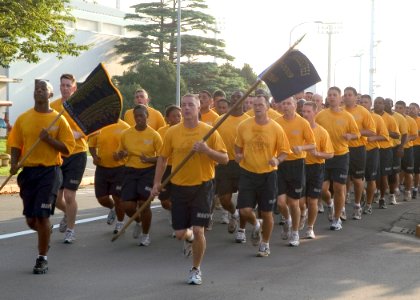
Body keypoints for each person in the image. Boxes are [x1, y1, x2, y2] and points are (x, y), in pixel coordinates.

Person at [151, 94, 228, 285]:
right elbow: (162, 158)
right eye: (183, 105)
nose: (186, 109)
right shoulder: (172, 132)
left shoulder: (209, 131)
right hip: (179, 186)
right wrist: (156, 183)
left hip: (203, 186)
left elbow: (225, 159)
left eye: (190, 105)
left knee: (199, 230)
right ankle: (189, 237)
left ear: (198, 108)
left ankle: (195, 269)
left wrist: (207, 151)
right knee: (180, 233)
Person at [8, 80, 75, 274]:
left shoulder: (59, 119)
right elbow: (15, 144)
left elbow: (68, 149)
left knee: (42, 215)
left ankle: (42, 258)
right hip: (28, 173)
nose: (39, 91)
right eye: (36, 88)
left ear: (50, 94)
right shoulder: (23, 118)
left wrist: (49, 140)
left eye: (43, 88)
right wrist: (13, 163)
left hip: (50, 172)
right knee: (31, 221)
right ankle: (46, 230)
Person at [235, 95, 290, 256]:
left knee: (267, 213)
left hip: (268, 175)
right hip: (248, 172)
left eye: (260, 104)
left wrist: (277, 160)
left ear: (267, 107)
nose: (257, 107)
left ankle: (265, 244)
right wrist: (238, 155)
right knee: (244, 210)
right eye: (255, 104)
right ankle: (256, 225)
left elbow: (285, 151)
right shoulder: (244, 125)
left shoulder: (276, 128)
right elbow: (237, 146)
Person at [116, 104, 163, 246]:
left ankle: (146, 234)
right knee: (127, 205)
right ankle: (138, 221)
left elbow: (162, 157)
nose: (139, 118)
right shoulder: (126, 134)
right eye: (136, 116)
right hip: (130, 171)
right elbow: (118, 154)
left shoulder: (154, 135)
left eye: (141, 115)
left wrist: (149, 159)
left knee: (144, 204)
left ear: (147, 117)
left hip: (147, 172)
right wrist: (121, 154)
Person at [315, 87, 359, 230]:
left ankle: (336, 219)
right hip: (325, 156)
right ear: (327, 98)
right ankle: (330, 204)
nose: (332, 97)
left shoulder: (347, 116)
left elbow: (356, 134)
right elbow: (312, 130)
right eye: (329, 95)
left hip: (341, 155)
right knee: (322, 189)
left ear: (340, 99)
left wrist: (350, 136)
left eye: (335, 95)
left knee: (339, 187)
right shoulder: (321, 115)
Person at [50, 74, 87, 244]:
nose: (64, 88)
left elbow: (90, 129)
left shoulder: (81, 107)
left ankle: (71, 230)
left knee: (69, 196)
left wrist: (74, 134)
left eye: (68, 85)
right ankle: (67, 213)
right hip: (60, 155)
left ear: (74, 88)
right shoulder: (54, 106)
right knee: (56, 198)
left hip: (77, 154)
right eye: (62, 85)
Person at [274, 97, 315, 246]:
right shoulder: (276, 122)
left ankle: (295, 232)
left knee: (293, 202)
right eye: (283, 103)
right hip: (280, 163)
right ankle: (288, 220)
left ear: (295, 105)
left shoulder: (303, 122)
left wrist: (301, 148)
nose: (286, 106)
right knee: (280, 202)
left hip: (297, 164)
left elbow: (312, 144)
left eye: (289, 103)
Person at [212, 91, 249, 235]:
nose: (235, 99)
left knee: (244, 201)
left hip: (243, 164)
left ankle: (242, 230)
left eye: (239, 97)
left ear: (245, 100)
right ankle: (234, 214)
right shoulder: (220, 120)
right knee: (224, 199)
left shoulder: (249, 121)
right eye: (233, 97)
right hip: (224, 164)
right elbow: (212, 140)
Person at [88, 119, 130, 234]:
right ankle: (113, 209)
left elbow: (130, 148)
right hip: (102, 168)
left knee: (118, 199)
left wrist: (121, 155)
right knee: (101, 198)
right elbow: (91, 145)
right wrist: (94, 156)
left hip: (120, 169)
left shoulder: (124, 127)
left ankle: (120, 223)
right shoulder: (98, 125)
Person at [301, 101, 334, 238]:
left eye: (309, 111)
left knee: (312, 200)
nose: (306, 114)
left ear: (315, 113)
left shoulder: (322, 132)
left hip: (316, 167)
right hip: (299, 166)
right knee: (300, 201)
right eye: (304, 111)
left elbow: (330, 154)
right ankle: (303, 213)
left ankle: (310, 228)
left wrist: (318, 154)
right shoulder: (297, 128)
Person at [343, 87, 376, 220]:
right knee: (343, 179)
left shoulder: (363, 112)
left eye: (349, 95)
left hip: (358, 149)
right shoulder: (340, 111)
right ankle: (342, 207)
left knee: (357, 180)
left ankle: (357, 205)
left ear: (356, 97)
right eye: (345, 95)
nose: (346, 97)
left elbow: (372, 131)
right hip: (342, 149)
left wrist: (355, 134)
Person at [359, 95, 389, 214]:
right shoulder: (354, 117)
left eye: (366, 102)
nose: (363, 104)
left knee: (371, 179)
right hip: (357, 150)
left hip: (372, 151)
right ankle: (361, 196)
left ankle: (369, 204)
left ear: (370, 104)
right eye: (361, 102)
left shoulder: (376, 118)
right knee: (357, 179)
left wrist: (372, 138)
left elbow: (385, 136)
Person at [157, 105, 182, 234]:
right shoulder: (161, 132)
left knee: (178, 197)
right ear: (167, 119)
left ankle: (178, 220)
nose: (178, 118)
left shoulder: (185, 130)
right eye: (174, 116)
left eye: (179, 115)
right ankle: (174, 212)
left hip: (181, 167)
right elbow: (160, 154)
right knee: (164, 200)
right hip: (166, 167)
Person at [373, 97, 399, 208]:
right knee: (374, 176)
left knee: (383, 175)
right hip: (372, 148)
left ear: (384, 105)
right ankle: (375, 192)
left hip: (385, 149)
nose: (378, 105)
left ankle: (382, 198)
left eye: (380, 103)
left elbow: (397, 135)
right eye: (376, 103)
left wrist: (385, 131)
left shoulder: (390, 118)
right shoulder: (369, 115)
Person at [384, 98, 408, 205]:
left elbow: (404, 134)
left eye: (389, 104)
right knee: (382, 173)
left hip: (395, 148)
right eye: (385, 103)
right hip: (383, 148)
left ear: (392, 105)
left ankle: (392, 194)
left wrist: (401, 147)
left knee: (394, 173)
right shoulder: (379, 116)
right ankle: (380, 193)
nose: (387, 105)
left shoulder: (399, 117)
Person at [394, 100, 418, 201]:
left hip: (408, 149)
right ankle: (395, 189)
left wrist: (406, 140)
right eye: (396, 108)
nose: (398, 110)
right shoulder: (392, 118)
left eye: (400, 108)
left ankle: (408, 191)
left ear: (405, 109)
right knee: (396, 171)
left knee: (408, 172)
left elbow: (414, 135)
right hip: (394, 148)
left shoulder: (410, 120)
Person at [408, 103, 420, 199]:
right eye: (410, 108)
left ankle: (415, 188)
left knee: (416, 170)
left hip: (417, 147)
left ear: (418, 110)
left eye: (413, 108)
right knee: (406, 169)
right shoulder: (406, 119)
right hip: (407, 147)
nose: (411, 110)